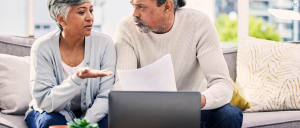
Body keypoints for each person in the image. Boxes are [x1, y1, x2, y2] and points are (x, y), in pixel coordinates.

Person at [113, 0, 243, 127]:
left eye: (141, 7)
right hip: (147, 113)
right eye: (133, 5)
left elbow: (222, 84)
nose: (134, 14)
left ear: (167, 6)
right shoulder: (126, 28)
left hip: (194, 111)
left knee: (229, 114)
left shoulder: (199, 23)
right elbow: (122, 86)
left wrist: (195, 101)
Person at [24, 0, 116, 128]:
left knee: (111, 122)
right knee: (51, 123)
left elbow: (107, 95)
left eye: (91, 10)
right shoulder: (42, 47)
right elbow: (45, 101)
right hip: (52, 111)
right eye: (82, 12)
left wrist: (82, 124)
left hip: (92, 111)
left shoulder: (104, 44)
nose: (90, 17)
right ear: (61, 19)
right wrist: (76, 79)